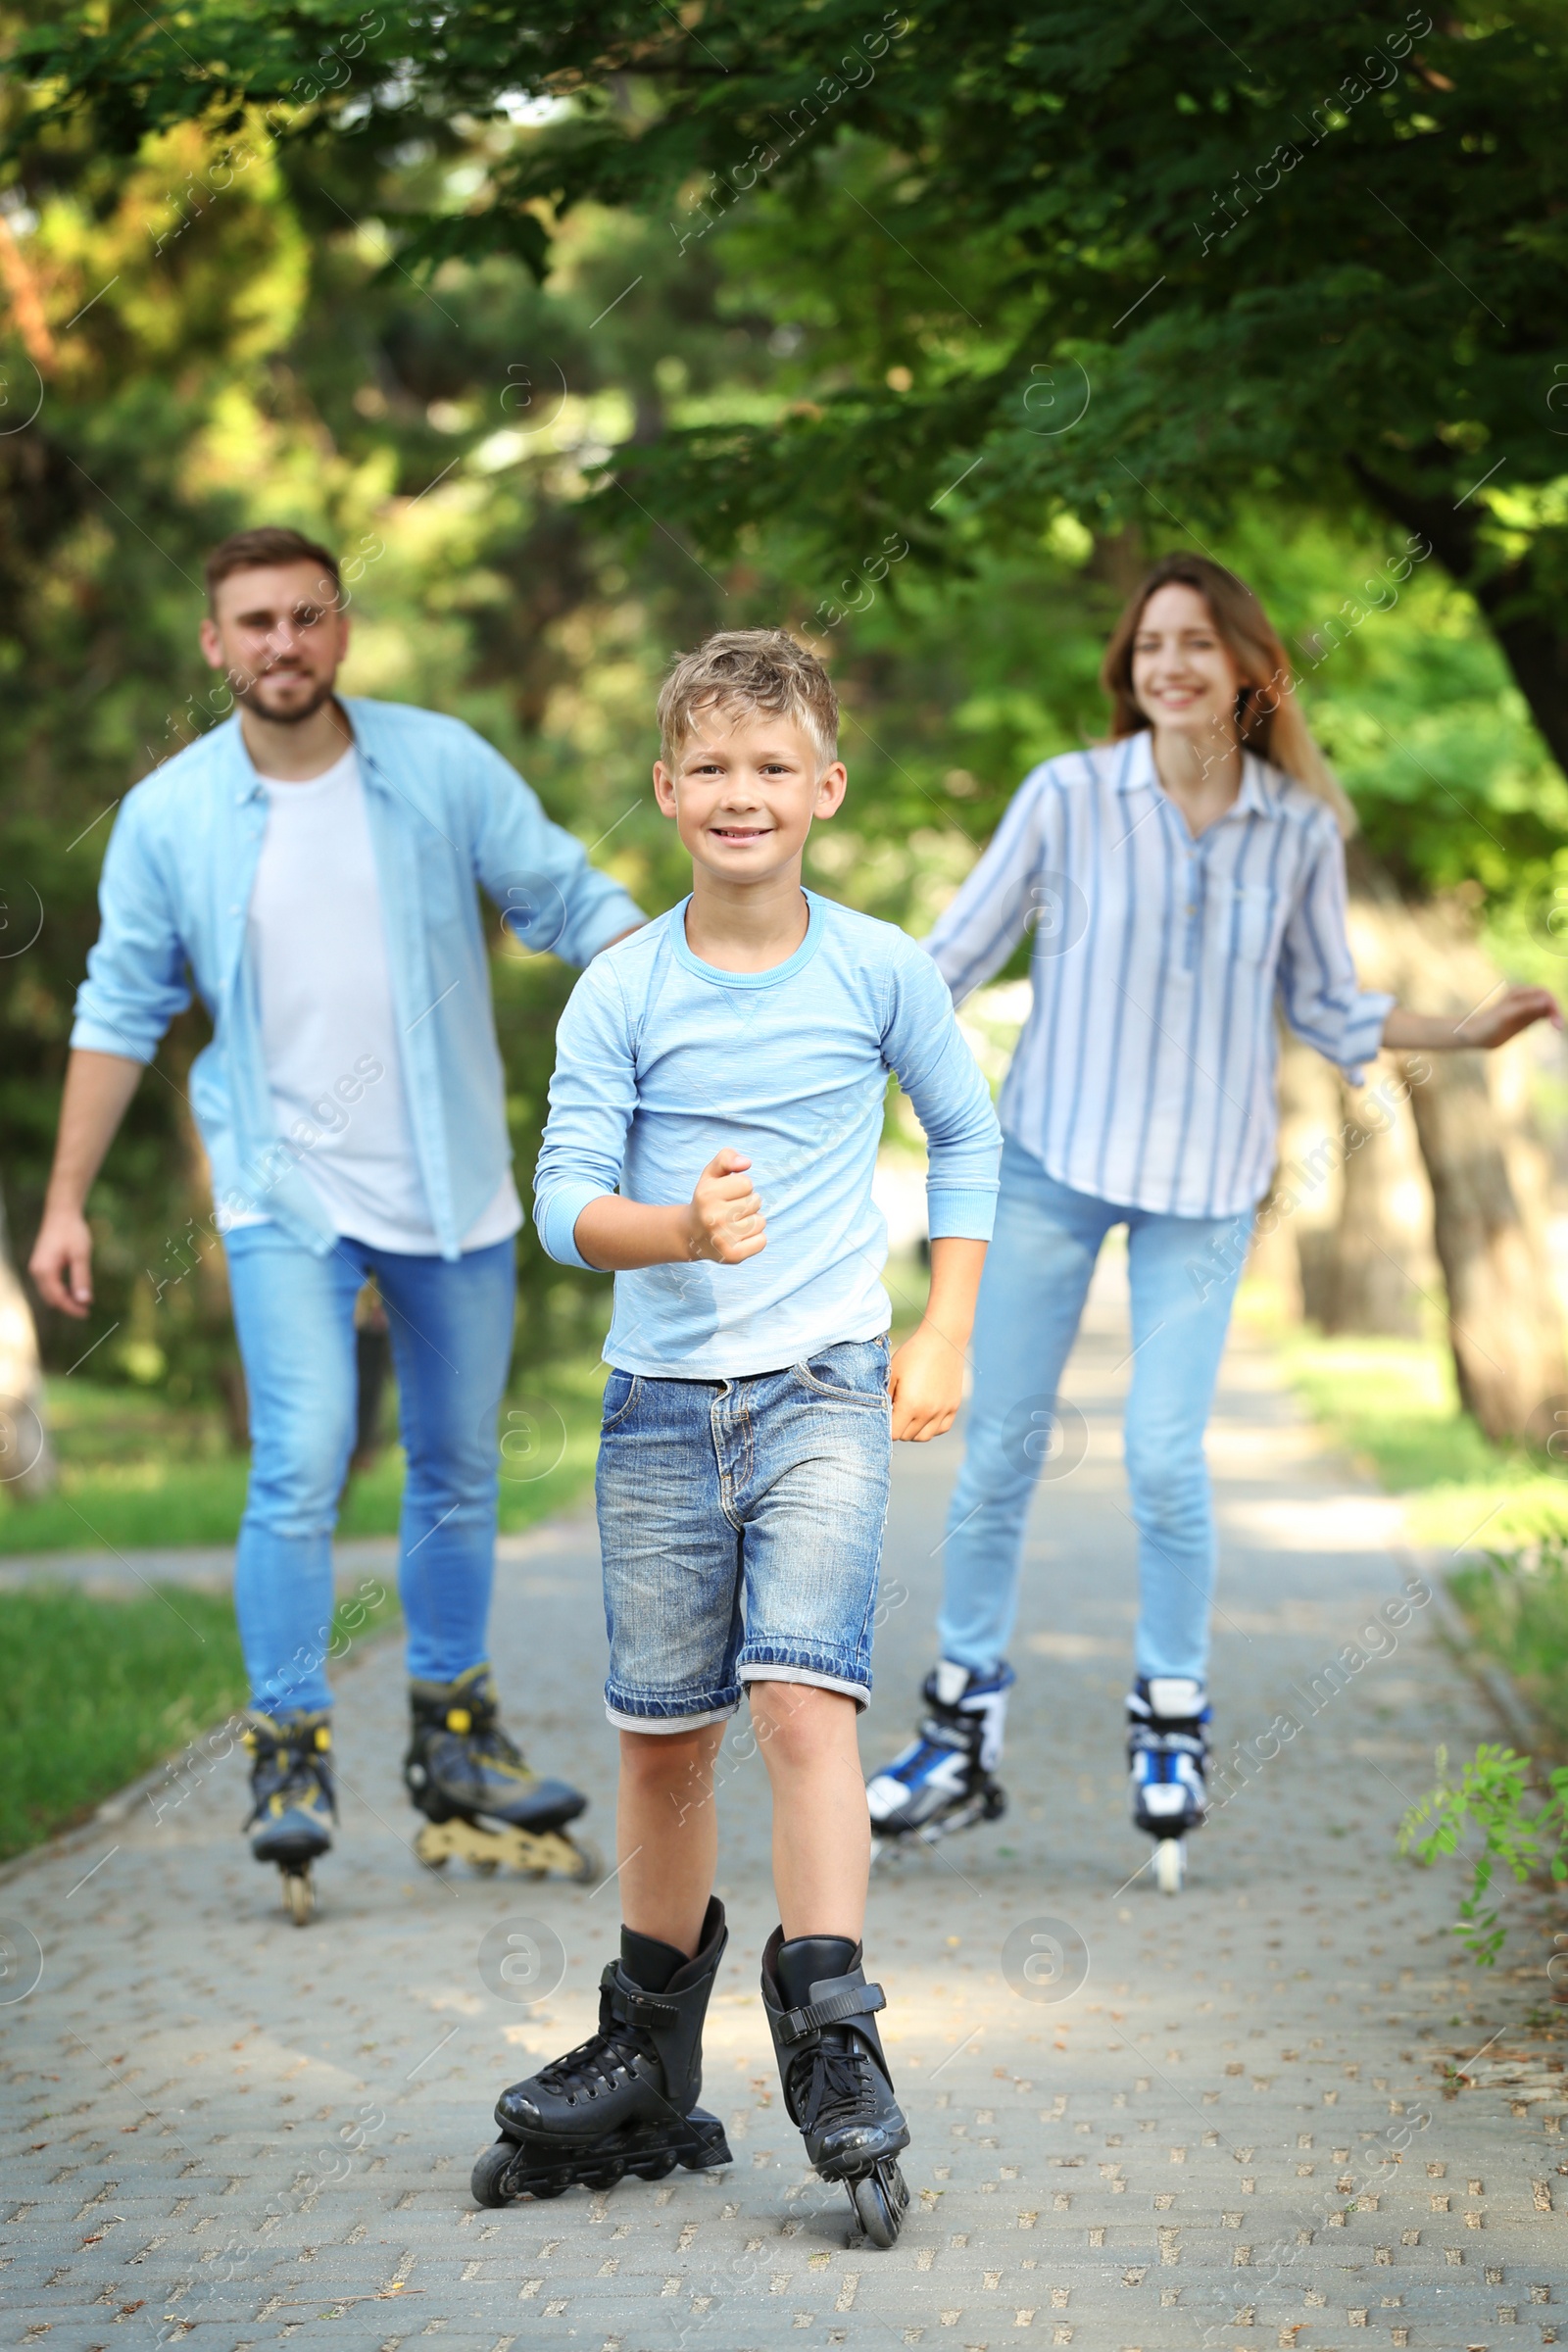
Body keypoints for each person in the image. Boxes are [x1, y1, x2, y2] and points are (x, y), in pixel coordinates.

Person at [864, 551, 1559, 1895]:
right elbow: (945, 960)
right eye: (1149, 646)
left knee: (1166, 1459)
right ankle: (959, 1730)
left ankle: (1170, 1723)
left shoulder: (1295, 829)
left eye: (1196, 643)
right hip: (1049, 1161)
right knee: (999, 1444)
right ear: (1129, 671)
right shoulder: (1067, 798)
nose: (1169, 665)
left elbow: (1331, 1006)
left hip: (1204, 1183)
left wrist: (1469, 1027)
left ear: (1249, 667)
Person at [28, 525, 643, 1920]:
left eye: (306, 617)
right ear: (215, 645)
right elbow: (118, 1008)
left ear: (342, 629)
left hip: (452, 1182)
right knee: (298, 1463)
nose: (282, 645)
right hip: (281, 1195)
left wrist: (689, 985)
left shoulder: (438, 765)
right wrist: (65, 1201)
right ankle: (289, 1749)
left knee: (458, 1467)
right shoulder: (173, 814)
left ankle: (455, 1742)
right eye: (254, 622)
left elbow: (569, 897)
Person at [470, 630, 1000, 2242]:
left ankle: (834, 2037)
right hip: (655, 1409)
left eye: (774, 767)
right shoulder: (623, 985)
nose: (741, 793)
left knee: (799, 1704)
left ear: (825, 790)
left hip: (825, 1388)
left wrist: (947, 1324)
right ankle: (647, 2048)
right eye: (710, 766)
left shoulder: (879, 967)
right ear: (664, 791)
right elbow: (562, 1204)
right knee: (659, 1731)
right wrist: (676, 1234)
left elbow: (968, 1133)